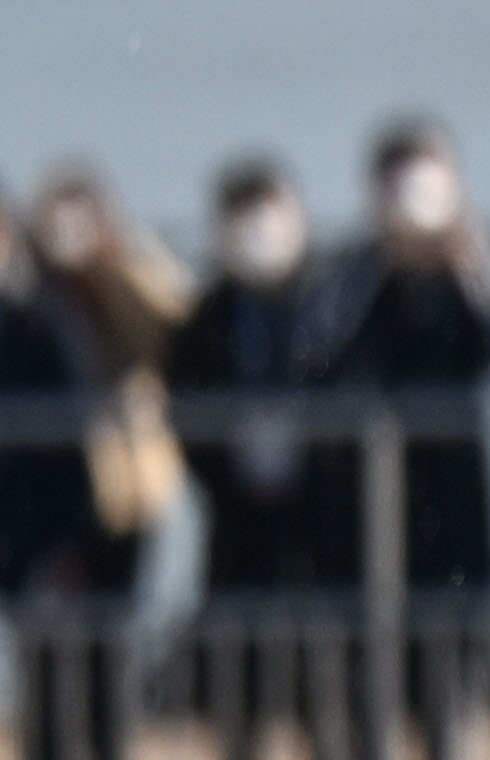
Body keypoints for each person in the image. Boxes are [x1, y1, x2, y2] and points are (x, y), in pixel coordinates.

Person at [327, 121, 490, 731]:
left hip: (459, 500)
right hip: (375, 505)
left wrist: (469, 262)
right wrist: (380, 257)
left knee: (454, 684)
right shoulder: (357, 270)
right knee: (372, 691)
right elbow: (318, 352)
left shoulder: (472, 264)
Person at [168, 156, 346, 760]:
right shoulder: (208, 316)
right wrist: (226, 471)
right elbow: (183, 410)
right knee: (237, 702)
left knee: (327, 701)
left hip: (318, 536)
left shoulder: (332, 303)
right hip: (238, 531)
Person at [9, 165, 183, 760]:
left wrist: (117, 255)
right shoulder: (32, 305)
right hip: (37, 517)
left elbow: (175, 327)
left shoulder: (113, 292)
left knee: (110, 661)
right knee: (47, 672)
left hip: (123, 504)